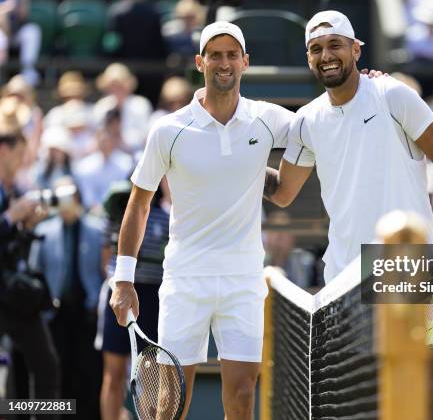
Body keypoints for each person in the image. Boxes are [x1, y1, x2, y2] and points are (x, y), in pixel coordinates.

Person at [265, 10, 433, 420]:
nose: (326, 55)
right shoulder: (306, 121)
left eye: (335, 45)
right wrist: (237, 156)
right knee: (356, 403)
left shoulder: (393, 95)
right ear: (308, 58)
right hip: (342, 278)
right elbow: (283, 192)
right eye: (316, 49)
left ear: (356, 49)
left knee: (426, 399)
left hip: (411, 269)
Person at [108, 21, 294, 420]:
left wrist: (366, 83)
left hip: (243, 281)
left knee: (243, 396)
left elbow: (323, 124)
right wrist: (123, 279)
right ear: (200, 62)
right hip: (185, 280)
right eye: (215, 55)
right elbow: (138, 206)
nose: (223, 63)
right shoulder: (168, 130)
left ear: (245, 62)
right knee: (170, 404)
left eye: (232, 55)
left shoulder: (269, 119)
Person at [29, 176, 105, 420]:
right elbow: (34, 272)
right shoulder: (44, 232)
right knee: (56, 374)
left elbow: (105, 271)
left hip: (87, 315)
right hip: (55, 315)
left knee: (88, 376)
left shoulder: (97, 230)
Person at [0, 126, 60, 411]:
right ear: (4, 150)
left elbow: (10, 247)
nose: (23, 161)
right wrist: (12, 216)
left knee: (45, 365)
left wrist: (26, 225)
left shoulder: (11, 189)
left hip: (14, 292)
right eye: (20, 154)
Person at [99, 182, 169, 420]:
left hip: (152, 299)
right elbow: (107, 257)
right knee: (114, 372)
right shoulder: (117, 211)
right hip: (118, 295)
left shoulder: (167, 215)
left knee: (149, 372)